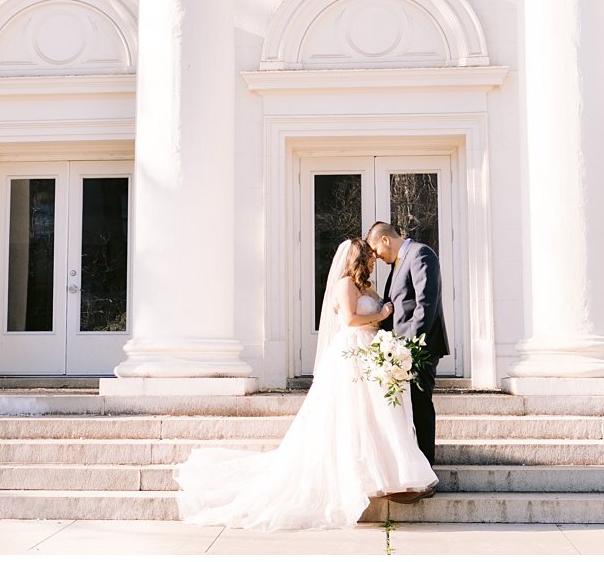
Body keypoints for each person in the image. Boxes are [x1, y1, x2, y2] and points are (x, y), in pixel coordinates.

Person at [173, 235, 437, 530]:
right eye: (371, 257)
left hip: (372, 350)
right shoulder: (345, 285)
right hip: (353, 352)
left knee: (378, 416)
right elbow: (350, 319)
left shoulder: (369, 287)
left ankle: (387, 476)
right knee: (353, 415)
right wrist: (381, 313)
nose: (375, 261)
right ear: (359, 258)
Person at [367, 220, 448, 485]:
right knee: (408, 407)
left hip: (419, 349)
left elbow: (426, 303)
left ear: (386, 240)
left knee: (421, 404)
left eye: (375, 249)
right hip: (401, 351)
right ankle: (415, 468)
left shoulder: (421, 254)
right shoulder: (397, 264)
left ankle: (428, 470)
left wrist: (411, 347)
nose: (376, 256)